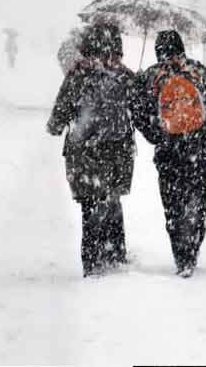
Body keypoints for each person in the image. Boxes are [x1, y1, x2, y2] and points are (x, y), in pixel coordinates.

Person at [133, 29, 206, 278]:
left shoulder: (151, 77)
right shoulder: (202, 73)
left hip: (168, 151)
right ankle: (192, 249)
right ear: (182, 47)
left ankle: (180, 255)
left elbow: (138, 114)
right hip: (201, 149)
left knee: (173, 205)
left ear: (158, 50)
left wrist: (155, 134)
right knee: (196, 201)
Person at [46, 22, 137, 277]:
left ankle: (93, 263)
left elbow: (56, 122)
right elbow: (143, 114)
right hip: (118, 155)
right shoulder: (125, 76)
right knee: (111, 200)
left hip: (83, 155)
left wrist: (61, 124)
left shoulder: (77, 77)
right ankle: (115, 253)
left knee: (91, 207)